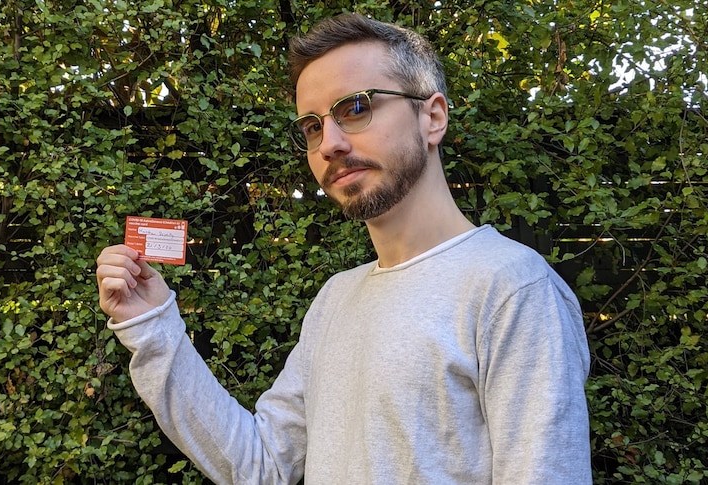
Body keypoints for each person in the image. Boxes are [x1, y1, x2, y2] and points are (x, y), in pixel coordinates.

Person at [96, 13, 592, 484]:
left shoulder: (512, 289)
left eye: (355, 107)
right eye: (313, 126)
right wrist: (153, 327)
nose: (329, 142)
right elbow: (260, 466)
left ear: (433, 117)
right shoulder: (336, 298)